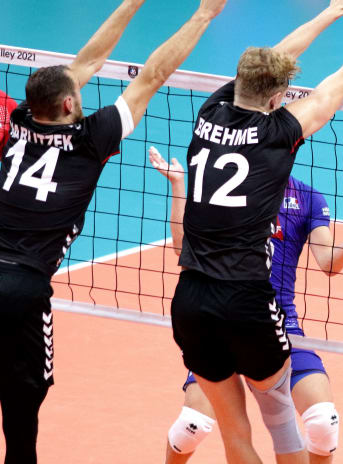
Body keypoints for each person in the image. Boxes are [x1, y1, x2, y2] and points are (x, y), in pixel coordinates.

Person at [168, 1, 343, 462]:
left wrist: (330, 12)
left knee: (236, 434)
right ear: (279, 98)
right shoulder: (281, 131)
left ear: (240, 81)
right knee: (282, 428)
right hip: (247, 301)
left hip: (190, 299)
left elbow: (268, 64)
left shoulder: (209, 112)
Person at [0, 1, 226, 462]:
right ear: (69, 103)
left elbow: (84, 63)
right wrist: (204, 15)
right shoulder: (93, 137)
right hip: (24, 289)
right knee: (23, 414)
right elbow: (153, 74)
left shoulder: (20, 121)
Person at [150, 144, 343, 464]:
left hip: (281, 324)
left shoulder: (308, 198)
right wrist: (179, 185)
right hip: (225, 316)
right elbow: (181, 247)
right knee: (192, 427)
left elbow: (328, 262)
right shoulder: (229, 188)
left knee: (324, 423)